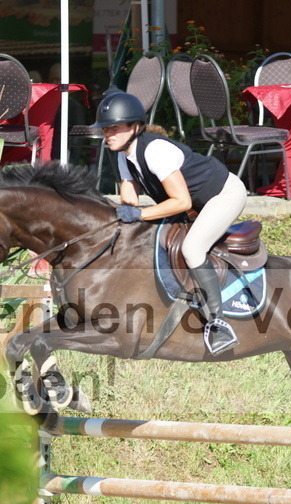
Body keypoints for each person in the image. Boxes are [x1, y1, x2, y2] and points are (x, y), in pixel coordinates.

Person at [94, 92, 247, 355]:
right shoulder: (122, 154)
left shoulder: (156, 151)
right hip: (191, 203)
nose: (109, 134)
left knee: (193, 248)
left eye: (115, 128)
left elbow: (181, 202)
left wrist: (140, 215)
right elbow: (129, 200)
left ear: (135, 127)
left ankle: (218, 323)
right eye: (106, 129)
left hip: (223, 194)